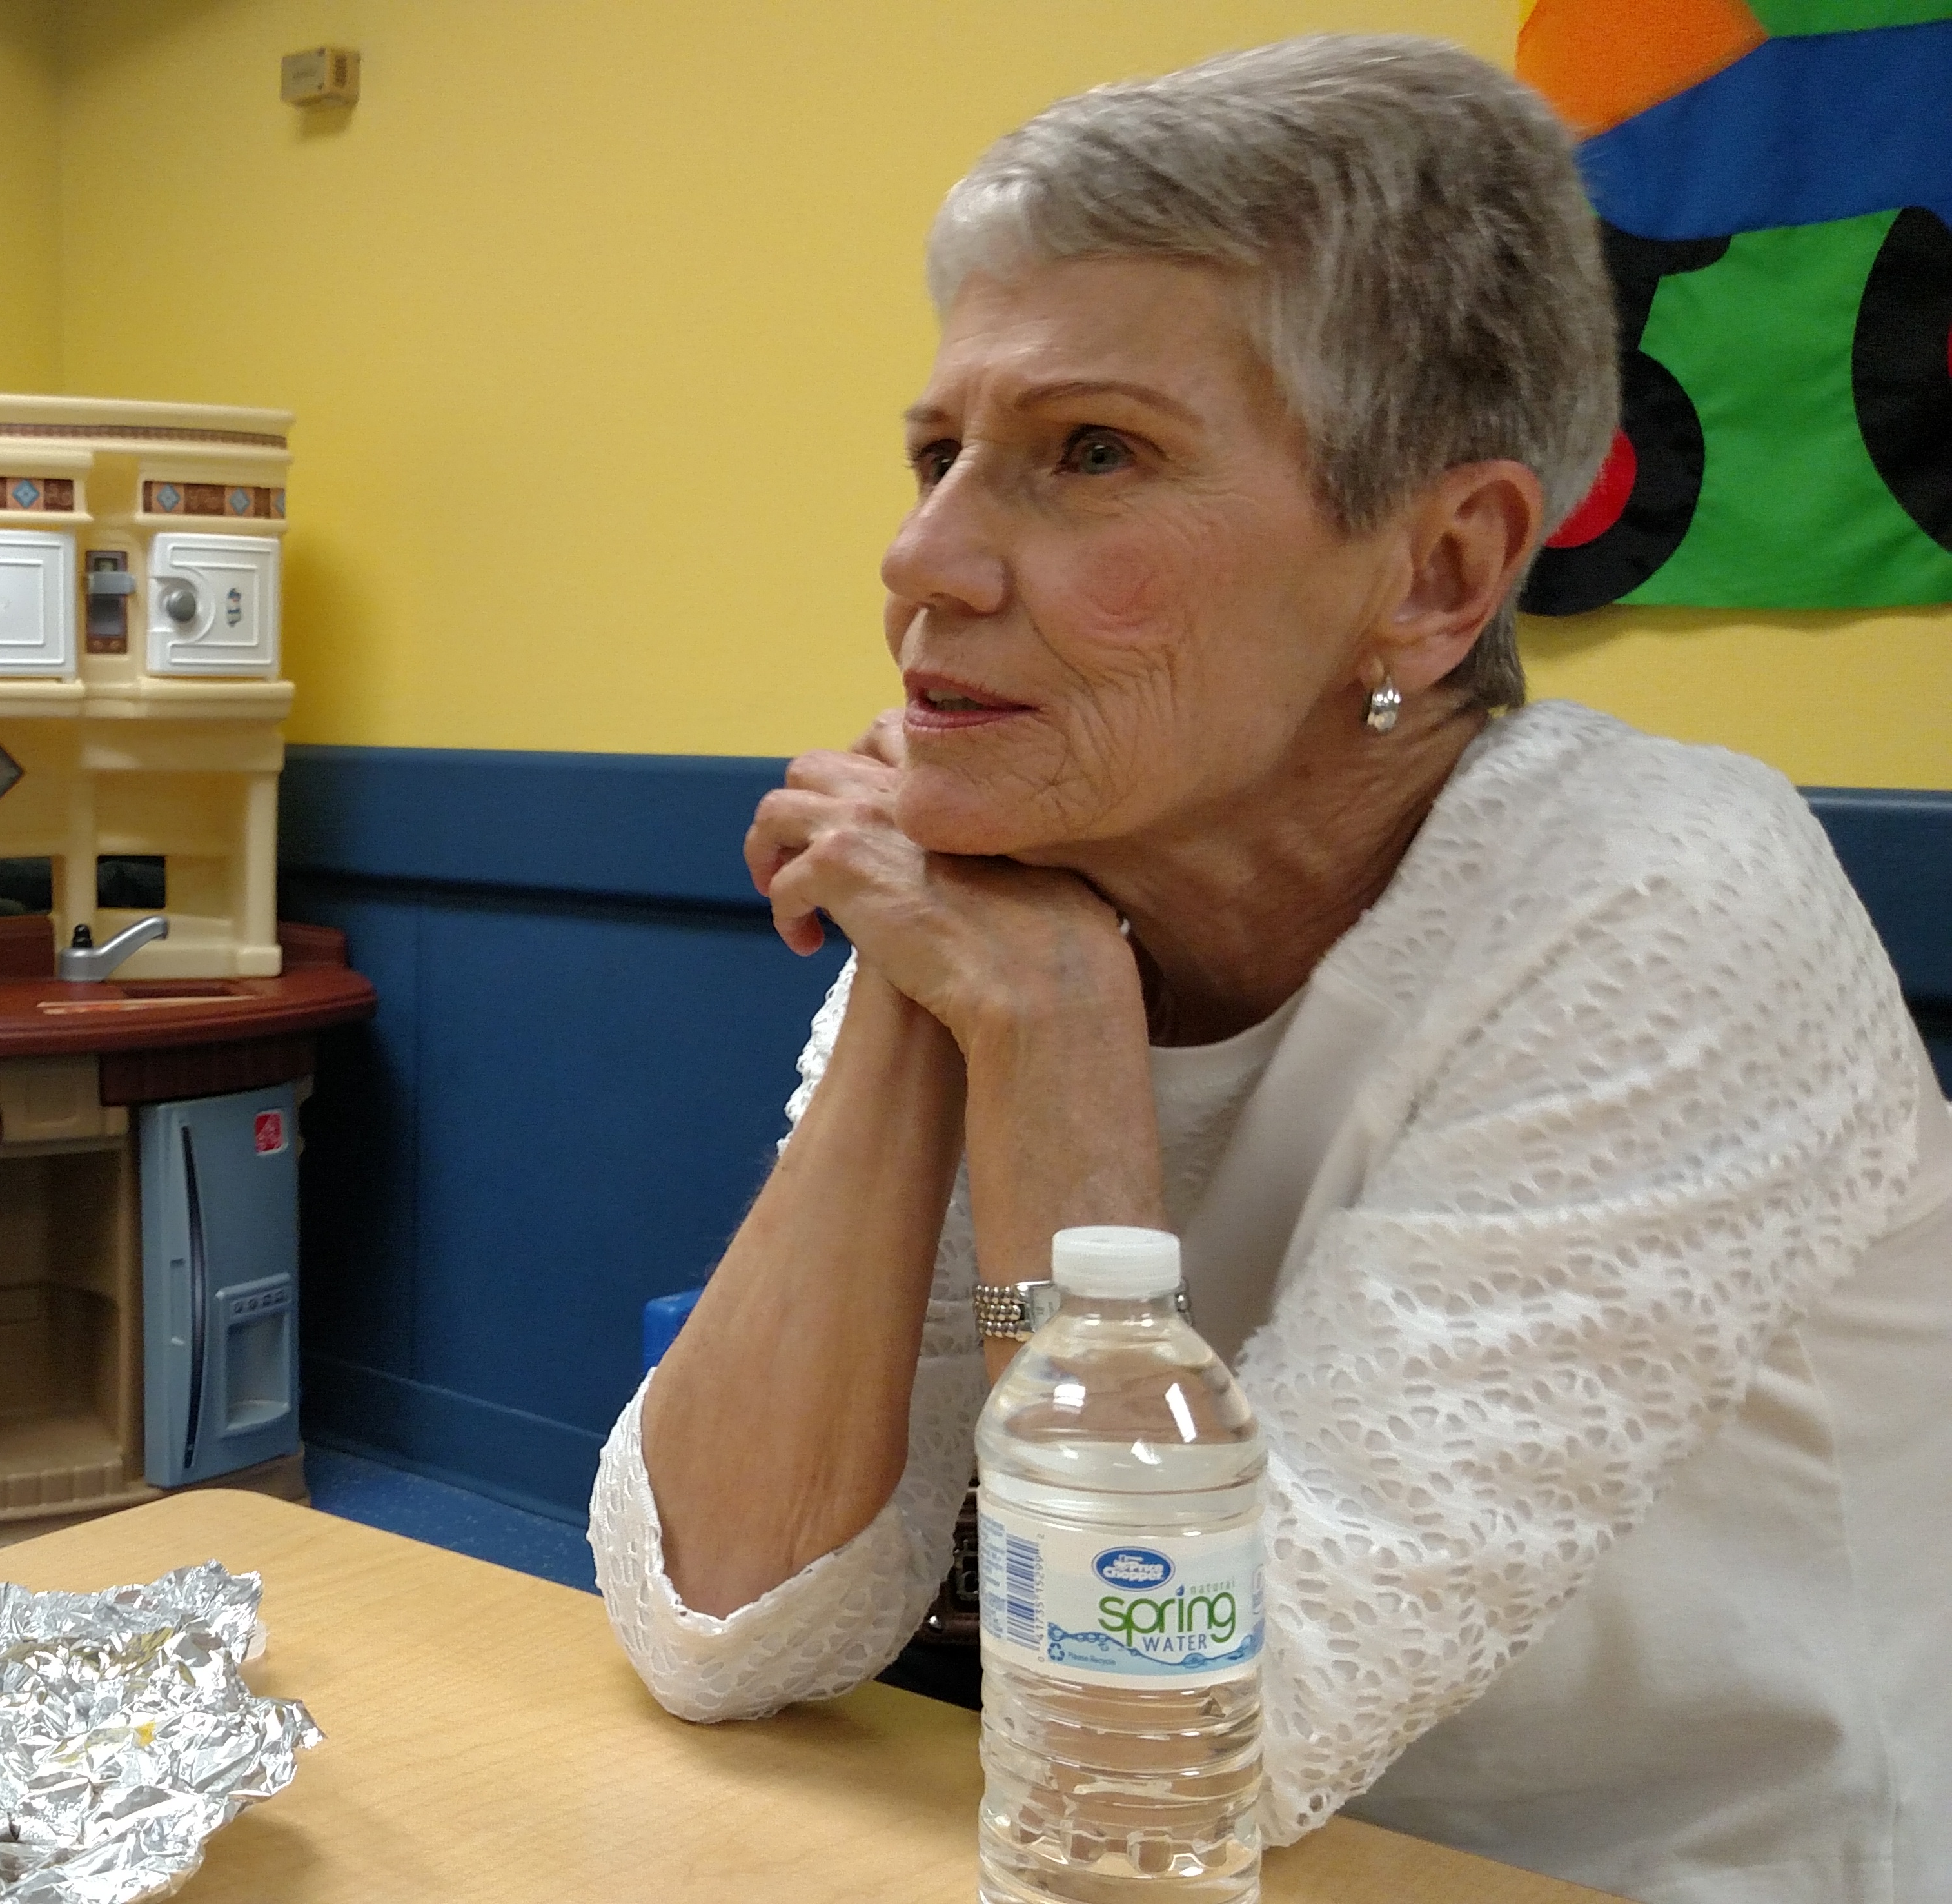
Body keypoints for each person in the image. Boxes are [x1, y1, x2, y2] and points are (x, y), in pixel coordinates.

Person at [591, 36, 1949, 1904]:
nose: (921, 559)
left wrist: (1053, 1043)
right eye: (936, 455)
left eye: (1090, 454)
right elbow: (723, 1616)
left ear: (1439, 571)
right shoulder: (1017, 882)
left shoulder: (1665, 900)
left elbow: (1177, 1742)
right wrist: (921, 986)